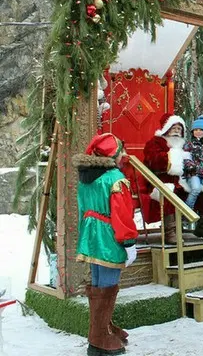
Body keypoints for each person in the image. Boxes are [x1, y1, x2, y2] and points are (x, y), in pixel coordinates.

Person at [74, 133, 138, 356]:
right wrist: (129, 242)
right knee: (108, 287)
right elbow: (122, 214)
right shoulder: (115, 179)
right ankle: (98, 338)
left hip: (91, 236)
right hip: (109, 237)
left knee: (99, 286)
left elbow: (83, 209)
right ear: (114, 154)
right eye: (121, 151)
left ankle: (102, 328)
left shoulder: (87, 178)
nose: (124, 155)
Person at [143, 113, 190, 244]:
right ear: (167, 128)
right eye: (173, 128)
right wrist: (173, 157)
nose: (176, 131)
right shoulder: (154, 143)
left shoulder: (183, 145)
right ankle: (170, 231)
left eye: (179, 129)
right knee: (169, 192)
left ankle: (197, 226)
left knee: (196, 190)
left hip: (179, 180)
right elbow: (153, 161)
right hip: (158, 180)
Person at [183, 115, 203, 239]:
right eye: (196, 130)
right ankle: (187, 213)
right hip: (194, 173)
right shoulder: (189, 145)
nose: (198, 132)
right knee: (195, 189)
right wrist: (190, 166)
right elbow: (186, 158)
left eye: (201, 130)